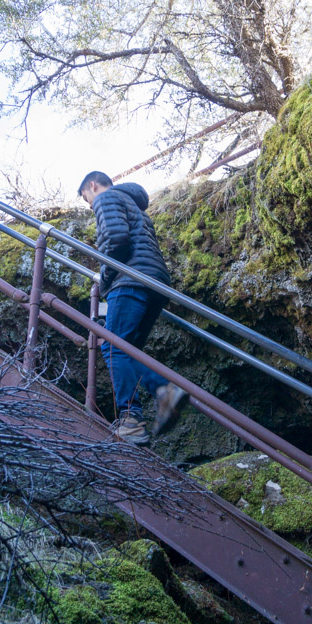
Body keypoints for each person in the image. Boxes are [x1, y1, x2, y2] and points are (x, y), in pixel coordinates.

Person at [78, 171, 188, 445]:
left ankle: (138, 413)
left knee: (113, 346)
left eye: (86, 198)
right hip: (155, 282)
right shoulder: (133, 205)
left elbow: (116, 238)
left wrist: (104, 279)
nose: (90, 205)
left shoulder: (106, 198)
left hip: (130, 280)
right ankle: (146, 407)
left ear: (93, 186)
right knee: (127, 351)